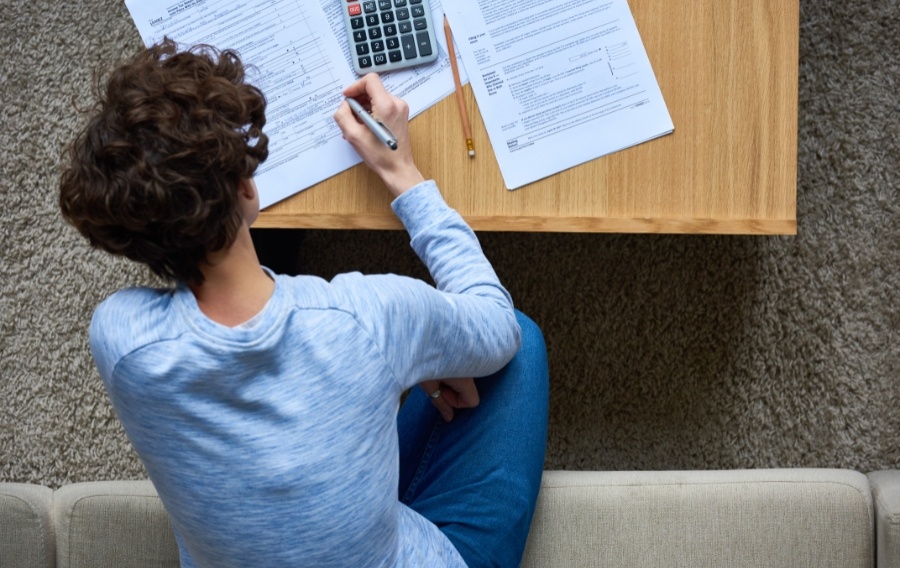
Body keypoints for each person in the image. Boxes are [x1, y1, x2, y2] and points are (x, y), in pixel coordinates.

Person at [59, 39, 549, 568]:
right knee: (520, 340)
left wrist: (395, 357)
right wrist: (402, 173)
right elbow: (496, 327)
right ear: (246, 188)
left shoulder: (120, 338)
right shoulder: (369, 316)